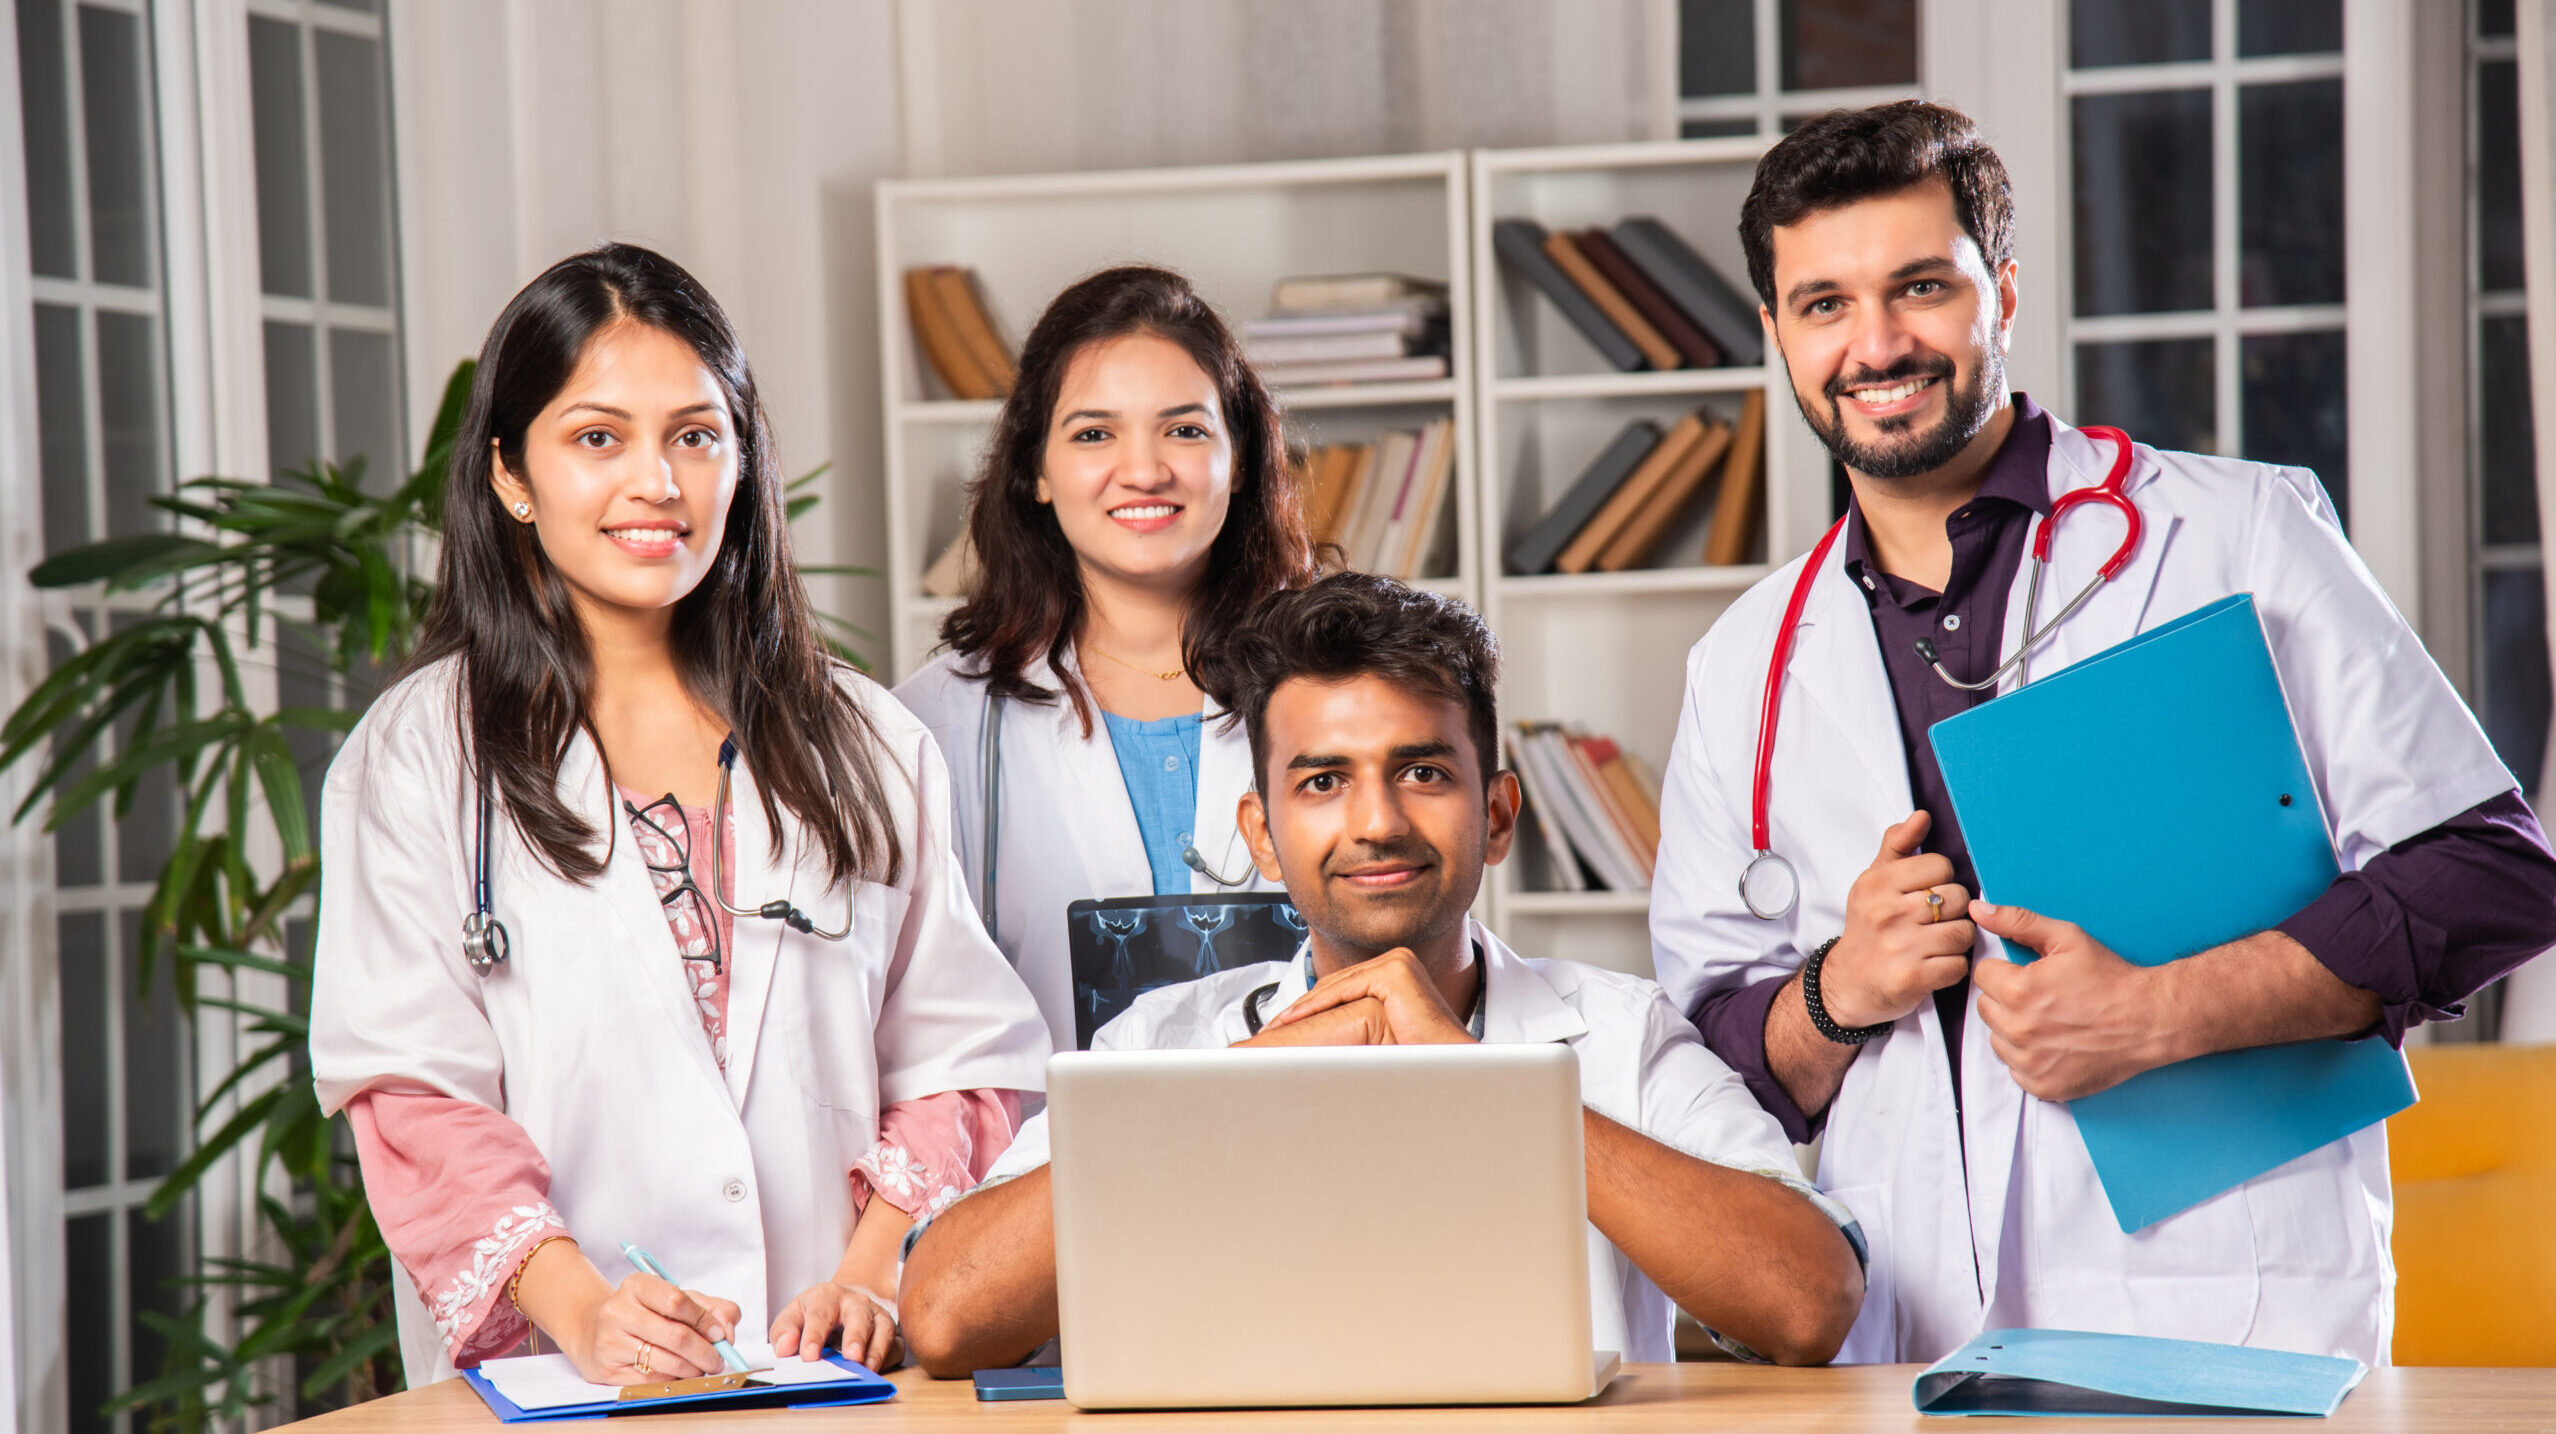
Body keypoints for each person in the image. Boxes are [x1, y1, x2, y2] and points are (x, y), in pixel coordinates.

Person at [1648, 102, 2556, 1366]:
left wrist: (2162, 1013)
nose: (1877, 343)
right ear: (1775, 333)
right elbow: (1709, 1071)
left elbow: (2492, 874)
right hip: (1905, 1338)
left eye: (1922, 286)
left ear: (2003, 292)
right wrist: (1836, 993)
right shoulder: (1744, 661)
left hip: (2223, 1314)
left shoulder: (2234, 535)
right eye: (1824, 305)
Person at [307, 244, 1049, 1387]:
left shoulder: (864, 738)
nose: (657, 482)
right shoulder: (419, 757)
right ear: (511, 473)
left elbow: (959, 1059)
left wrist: (869, 1273)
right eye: (597, 437)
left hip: (828, 1378)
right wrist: (590, 1315)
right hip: (562, 1384)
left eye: (695, 436)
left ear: (741, 459)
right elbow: (417, 1104)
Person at [898, 574, 1869, 1374]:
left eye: (1423, 772)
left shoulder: (1621, 1033)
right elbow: (944, 1319)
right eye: (1323, 782)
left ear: (1496, 816)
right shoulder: (1164, 1044)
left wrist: (1486, 1087)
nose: (1377, 824)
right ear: (1263, 836)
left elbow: (1807, 1303)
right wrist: (1232, 1089)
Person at [894, 265, 1317, 1052]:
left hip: (1305, 1145)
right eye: (1094, 433)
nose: (1146, 470)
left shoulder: (1337, 688)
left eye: (1185, 430)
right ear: (1037, 472)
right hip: (1048, 1160)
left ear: (1242, 457)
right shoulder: (930, 726)